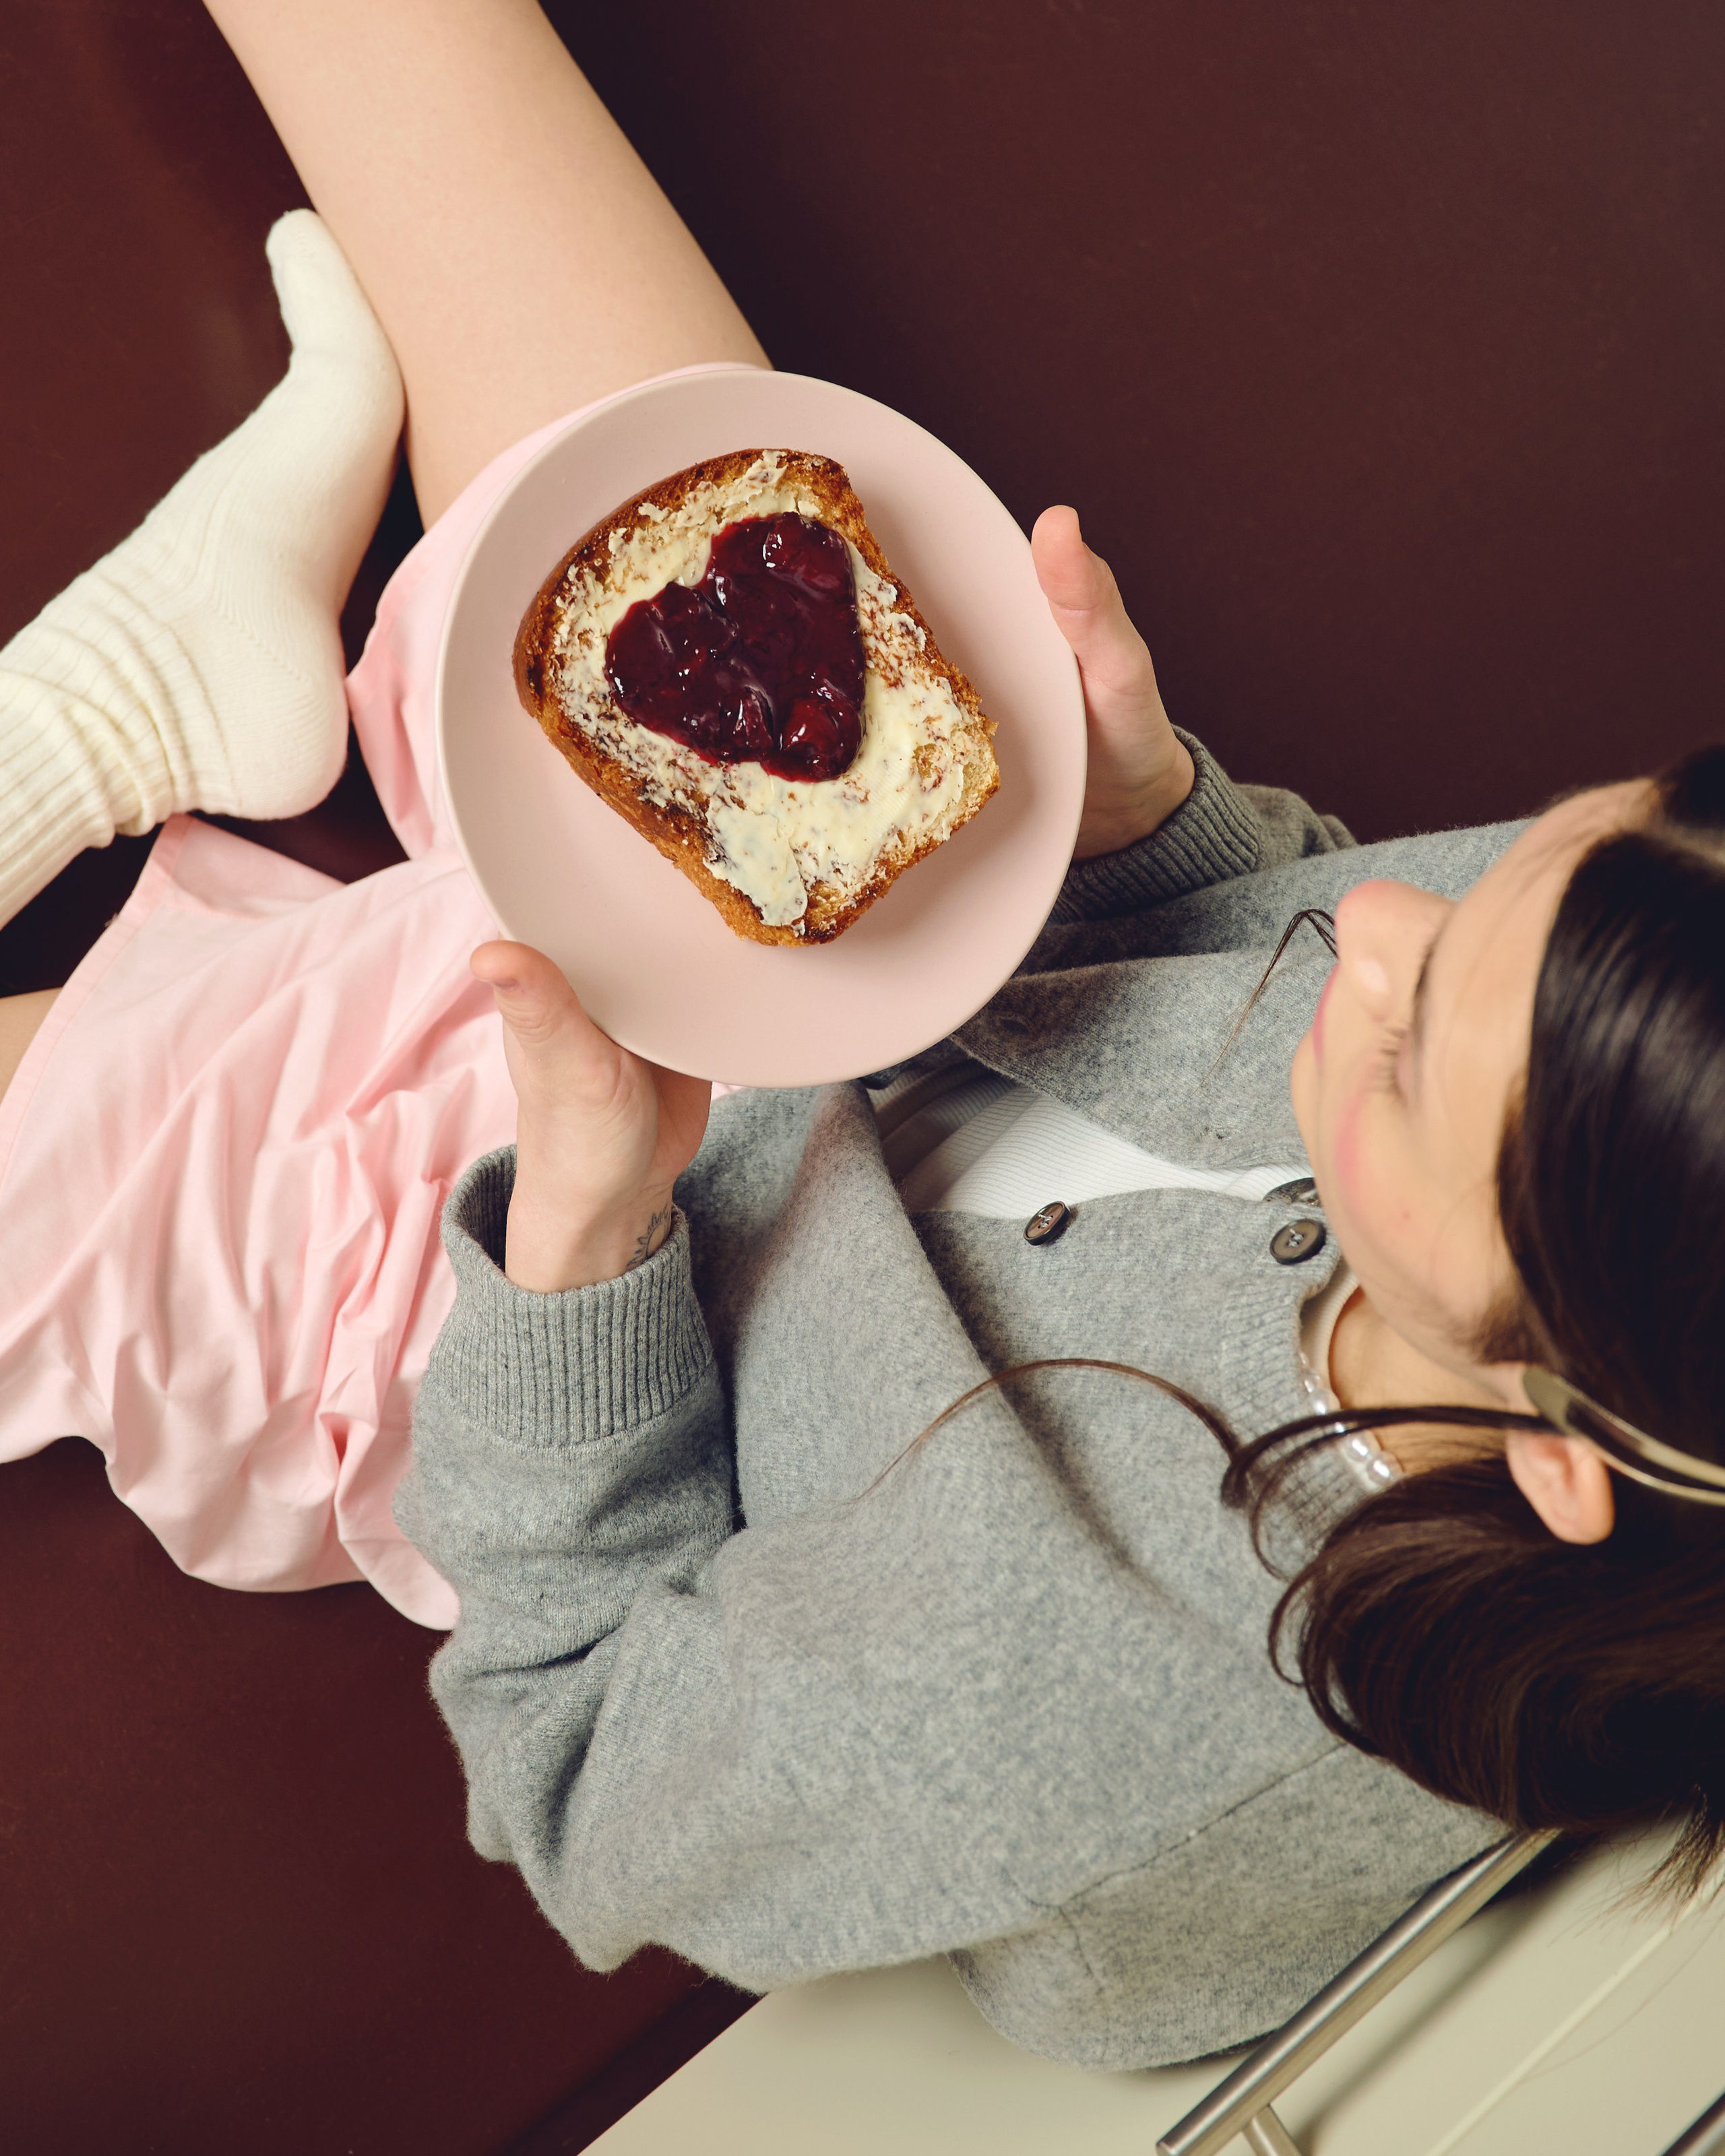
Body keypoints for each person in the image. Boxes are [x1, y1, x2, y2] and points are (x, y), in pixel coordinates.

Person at [5, 0, 1721, 2069]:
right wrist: (1155, 817)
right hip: (873, 912)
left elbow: (567, 1760)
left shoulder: (1043, 1714)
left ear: (1552, 1445)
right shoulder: (1635, 1047)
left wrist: (587, 1241)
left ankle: (93, 723)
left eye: (1409, 1043)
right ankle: (186, 690)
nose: (1363, 918)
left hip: (503, 1288)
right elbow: (1296, 940)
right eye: (1488, 886)